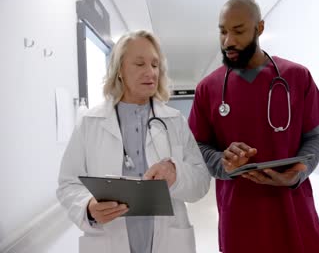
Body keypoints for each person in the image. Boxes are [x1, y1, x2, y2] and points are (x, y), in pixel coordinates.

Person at [188, 0, 319, 253]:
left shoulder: (297, 77)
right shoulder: (207, 89)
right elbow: (199, 146)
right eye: (223, 32)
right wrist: (223, 161)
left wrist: (297, 171)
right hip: (240, 222)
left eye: (239, 31)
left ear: (259, 28)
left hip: (295, 217)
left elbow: (314, 138)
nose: (228, 41)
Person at [57, 30, 211, 253]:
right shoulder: (89, 124)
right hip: (109, 241)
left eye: (155, 65)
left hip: (169, 242)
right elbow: (68, 184)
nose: (150, 72)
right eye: (139, 64)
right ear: (119, 70)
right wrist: (87, 208)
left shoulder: (174, 121)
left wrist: (176, 175)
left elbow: (201, 182)